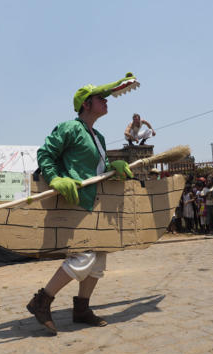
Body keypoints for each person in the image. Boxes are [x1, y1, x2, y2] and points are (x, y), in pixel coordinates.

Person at [26, 74, 136, 335]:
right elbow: (45, 154)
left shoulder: (98, 135)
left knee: (99, 258)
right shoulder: (70, 128)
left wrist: (113, 167)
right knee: (83, 256)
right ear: (86, 104)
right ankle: (42, 301)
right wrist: (55, 178)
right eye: (101, 98)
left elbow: (99, 169)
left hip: (96, 204)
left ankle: (82, 308)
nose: (106, 101)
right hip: (75, 202)